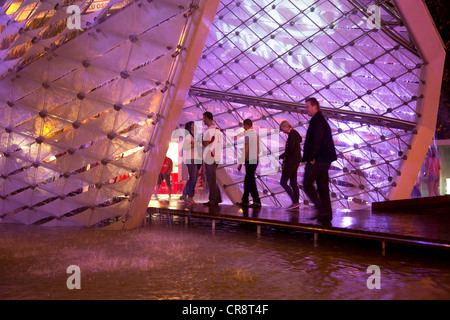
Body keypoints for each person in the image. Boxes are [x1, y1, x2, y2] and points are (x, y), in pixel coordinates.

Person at [302, 97, 337, 223]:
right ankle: (327, 215)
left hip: (318, 159)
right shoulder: (320, 120)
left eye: (307, 107)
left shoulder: (317, 121)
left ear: (314, 106)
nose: (306, 110)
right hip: (324, 159)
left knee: (307, 183)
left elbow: (317, 139)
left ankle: (321, 209)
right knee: (322, 187)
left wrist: (312, 157)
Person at [236, 119, 261, 208]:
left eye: (243, 126)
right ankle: (245, 200)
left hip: (249, 160)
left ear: (246, 125)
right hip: (255, 159)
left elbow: (246, 150)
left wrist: (240, 163)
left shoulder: (248, 135)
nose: (243, 128)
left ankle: (256, 200)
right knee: (248, 179)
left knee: (250, 180)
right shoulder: (256, 135)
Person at [279, 120, 302, 210]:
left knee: (283, 182)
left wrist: (281, 156)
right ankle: (296, 204)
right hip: (296, 160)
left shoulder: (292, 133)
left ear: (286, 126)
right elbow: (300, 139)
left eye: (283, 129)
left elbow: (291, 149)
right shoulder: (295, 133)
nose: (283, 131)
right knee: (293, 182)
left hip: (291, 161)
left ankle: (295, 202)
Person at [202, 112, 222, 206]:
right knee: (212, 178)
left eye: (203, 118)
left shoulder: (210, 130)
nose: (203, 120)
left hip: (210, 156)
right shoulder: (217, 129)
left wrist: (200, 140)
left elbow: (206, 143)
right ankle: (216, 198)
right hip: (216, 156)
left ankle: (213, 199)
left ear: (206, 118)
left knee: (211, 178)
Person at [180, 121, 201, 205]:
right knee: (193, 178)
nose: (194, 125)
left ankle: (185, 194)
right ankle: (190, 197)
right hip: (190, 158)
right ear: (189, 126)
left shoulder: (195, 135)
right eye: (192, 124)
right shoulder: (188, 135)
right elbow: (186, 146)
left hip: (196, 158)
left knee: (193, 178)